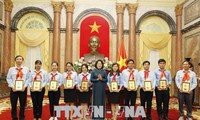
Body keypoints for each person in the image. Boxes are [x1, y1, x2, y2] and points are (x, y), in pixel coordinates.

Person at [6, 55, 30, 120]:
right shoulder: (11, 69)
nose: (19, 60)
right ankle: (14, 117)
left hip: (23, 89)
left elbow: (28, 79)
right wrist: (12, 86)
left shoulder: (26, 69)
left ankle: (22, 117)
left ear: (22, 60)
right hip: (14, 89)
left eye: (20, 59)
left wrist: (24, 86)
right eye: (17, 59)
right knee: (13, 104)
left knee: (22, 104)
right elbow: (8, 78)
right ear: (15, 60)